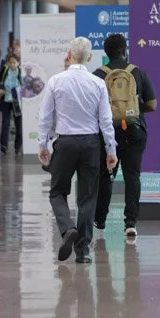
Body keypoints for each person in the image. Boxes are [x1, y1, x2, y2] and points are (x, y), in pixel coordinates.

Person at [37, 37, 118, 264]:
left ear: (69, 54)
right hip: (91, 144)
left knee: (57, 192)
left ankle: (67, 229)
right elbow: (105, 120)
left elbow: (45, 118)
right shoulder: (97, 83)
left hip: (65, 144)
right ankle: (83, 251)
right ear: (89, 57)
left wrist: (43, 145)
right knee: (87, 197)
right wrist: (111, 149)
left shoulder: (55, 81)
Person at [93, 33, 157, 238]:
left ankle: (100, 220)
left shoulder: (98, 75)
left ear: (106, 52)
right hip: (135, 130)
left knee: (106, 176)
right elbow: (153, 104)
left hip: (108, 133)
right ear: (124, 50)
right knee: (132, 176)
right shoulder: (137, 72)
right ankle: (130, 223)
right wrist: (133, 110)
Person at [0, 55, 23, 156]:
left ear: (18, 63)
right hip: (6, 100)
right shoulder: (5, 71)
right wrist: (0, 88)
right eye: (10, 62)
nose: (12, 64)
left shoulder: (21, 72)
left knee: (18, 124)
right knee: (5, 123)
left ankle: (18, 146)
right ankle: (3, 146)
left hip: (17, 101)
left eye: (14, 62)